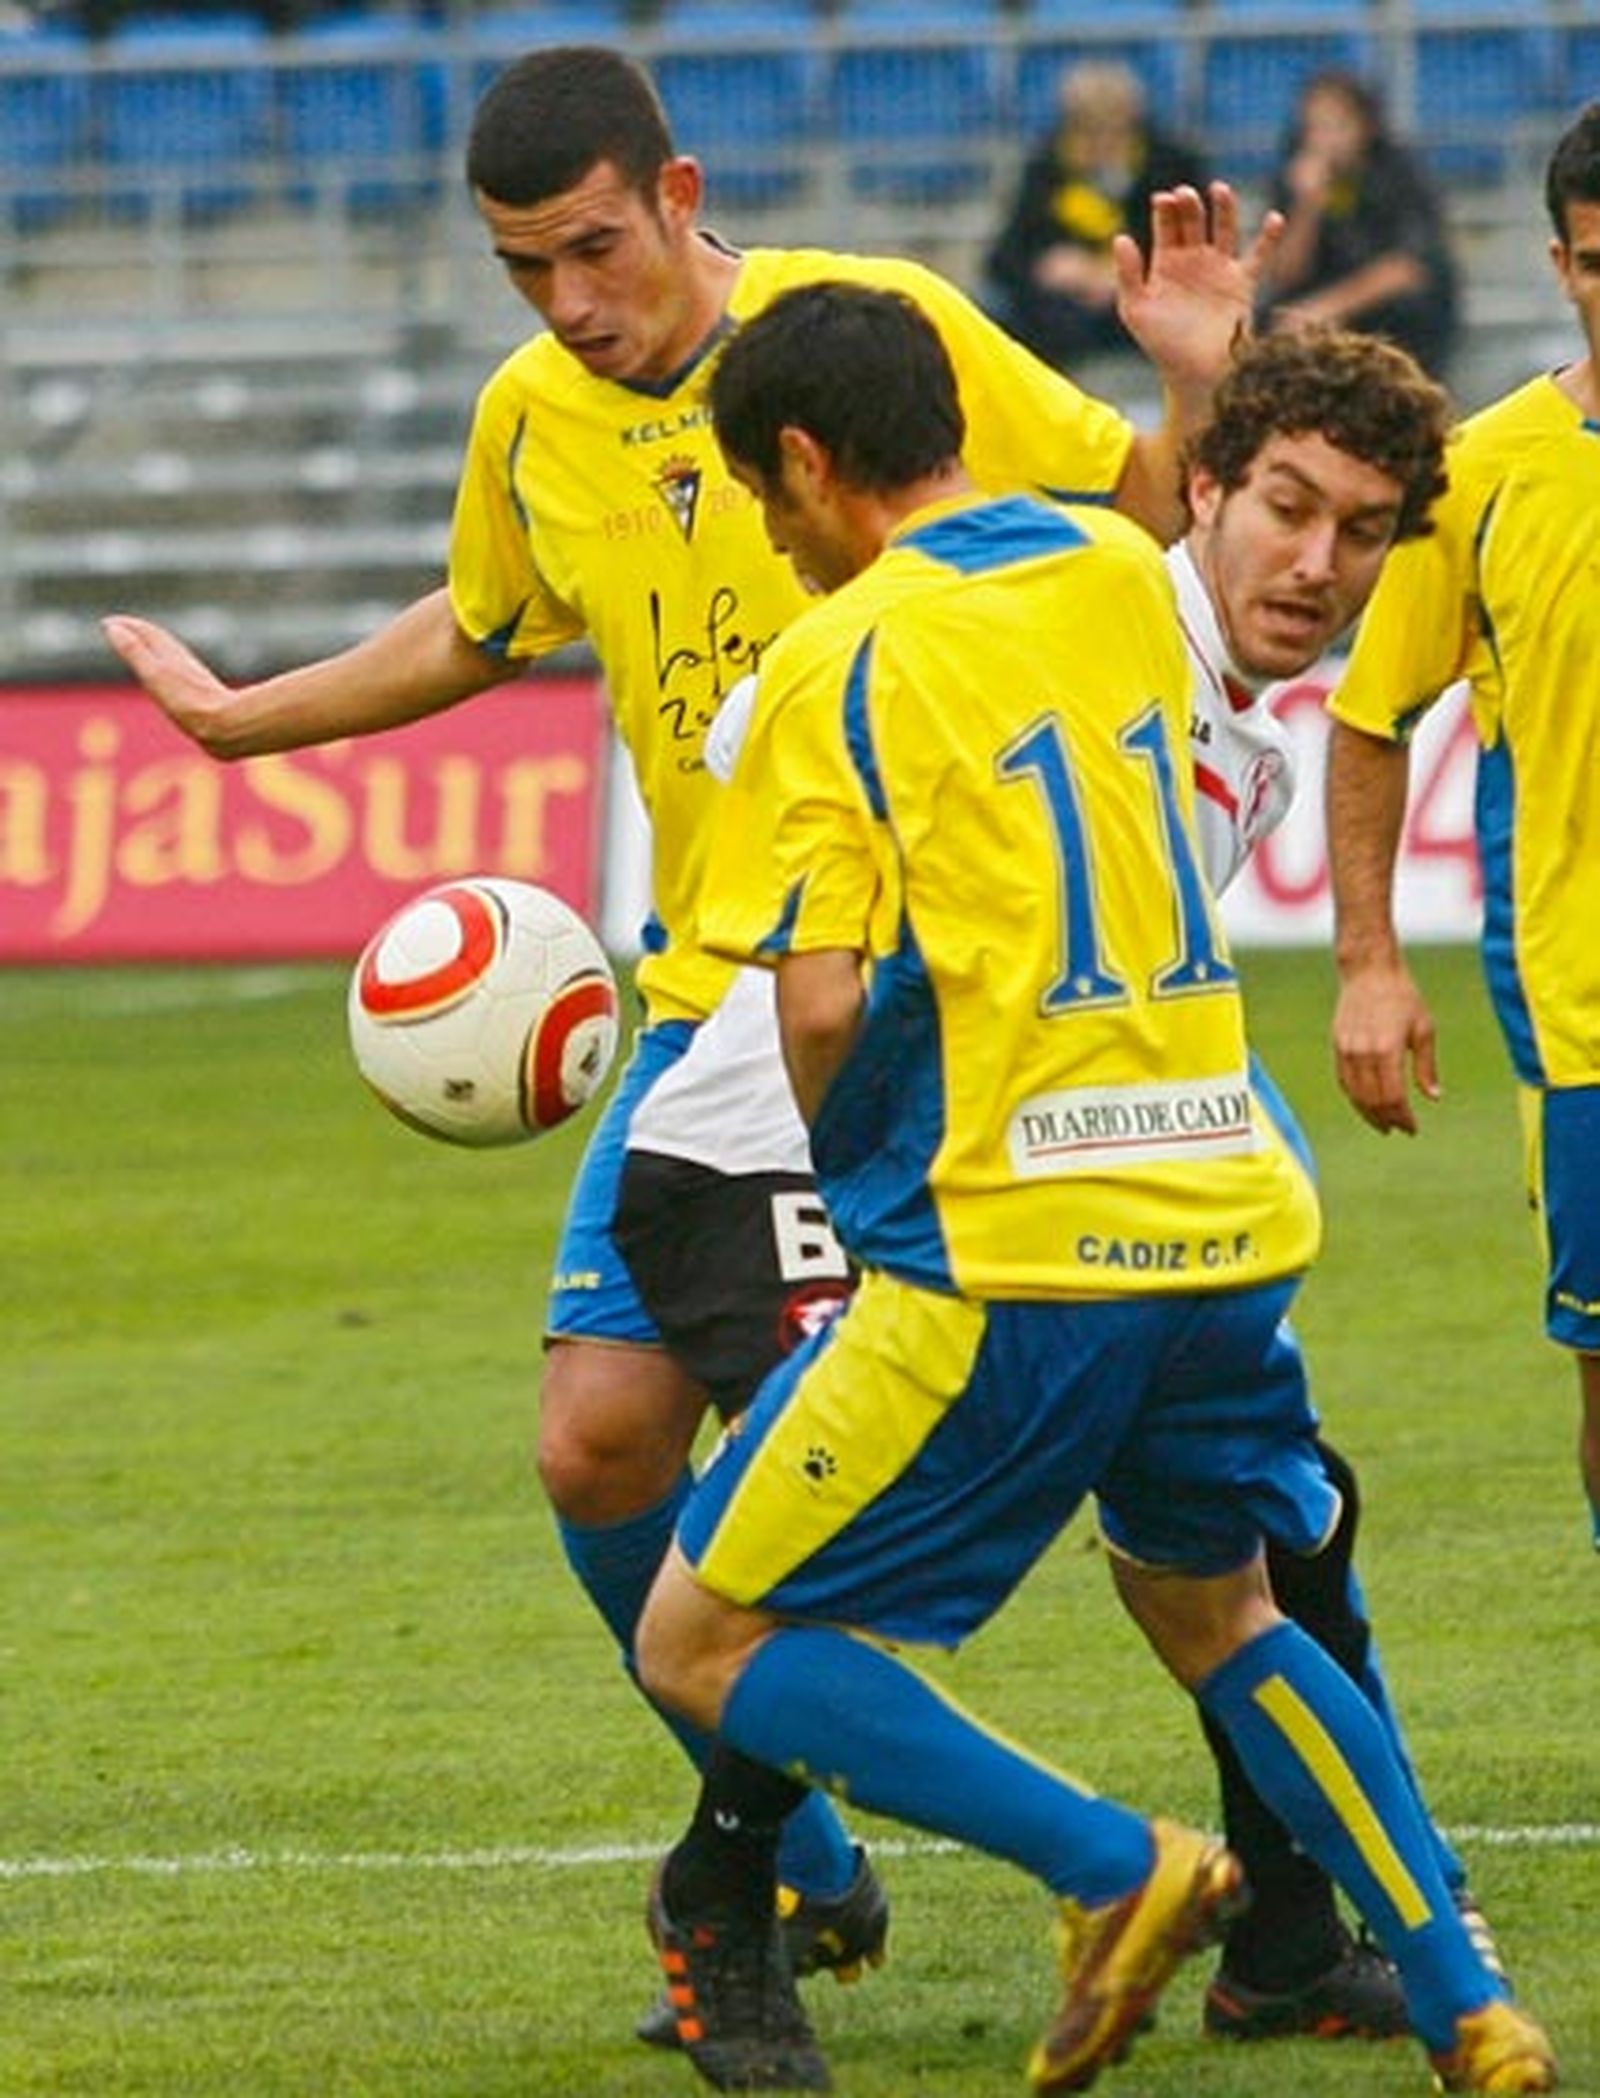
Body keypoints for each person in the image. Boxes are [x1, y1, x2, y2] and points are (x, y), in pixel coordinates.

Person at [98, 41, 1280, 2012]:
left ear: (675, 191)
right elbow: (486, 623)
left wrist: (1187, 379)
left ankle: (1270, 1894)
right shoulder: (531, 417)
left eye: (588, 249)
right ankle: (795, 1848)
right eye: (519, 271)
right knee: (599, 1444)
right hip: (708, 996)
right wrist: (243, 715)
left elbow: (1143, 508)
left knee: (1115, 1478)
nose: (568, 302)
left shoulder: (866, 331)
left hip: (923, 1004)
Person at [633, 280, 1555, 2097]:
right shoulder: (1115, 579)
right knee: (1229, 1605)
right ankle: (1469, 2003)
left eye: (762, 498)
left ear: (805, 468)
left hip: (1007, 1228)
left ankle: (1111, 1866)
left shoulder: (831, 658)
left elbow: (819, 989)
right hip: (1224, 1209)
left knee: (707, 1631)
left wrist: (866, 1160)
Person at [1327, 99, 1600, 1560]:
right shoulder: (1486, 472)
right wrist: (1369, 960)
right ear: (1561, 266)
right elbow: (1370, 721)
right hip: (1588, 1016)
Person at [985, 58, 1210, 370]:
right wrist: (1053, 268)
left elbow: (1203, 249)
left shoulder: (1171, 165)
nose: (1100, 136)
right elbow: (1005, 258)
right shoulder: (1048, 166)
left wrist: (1121, 275)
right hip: (1064, 311)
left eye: (1111, 120)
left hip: (1152, 297)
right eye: (1086, 123)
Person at [1259, 70, 1459, 382]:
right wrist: (1306, 207)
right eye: (1312, 128)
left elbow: (1408, 267)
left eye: (1335, 126)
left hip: (1392, 317)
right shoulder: (1293, 180)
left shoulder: (1399, 175)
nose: (1322, 139)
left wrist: (1329, 307)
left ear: (1365, 125)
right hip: (1320, 313)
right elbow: (1284, 275)